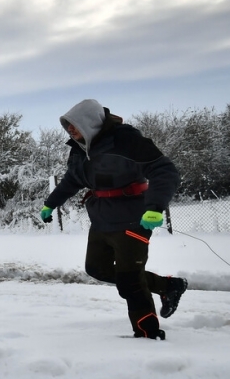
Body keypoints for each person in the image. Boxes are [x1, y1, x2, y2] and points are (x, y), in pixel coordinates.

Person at [40, 99, 187, 340]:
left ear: (89, 122)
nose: (71, 131)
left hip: (132, 218)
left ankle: (148, 334)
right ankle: (168, 286)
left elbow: (164, 170)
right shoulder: (79, 149)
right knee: (96, 268)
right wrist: (51, 203)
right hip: (101, 219)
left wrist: (155, 207)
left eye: (74, 125)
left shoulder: (125, 140)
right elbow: (72, 180)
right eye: (68, 127)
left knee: (130, 280)